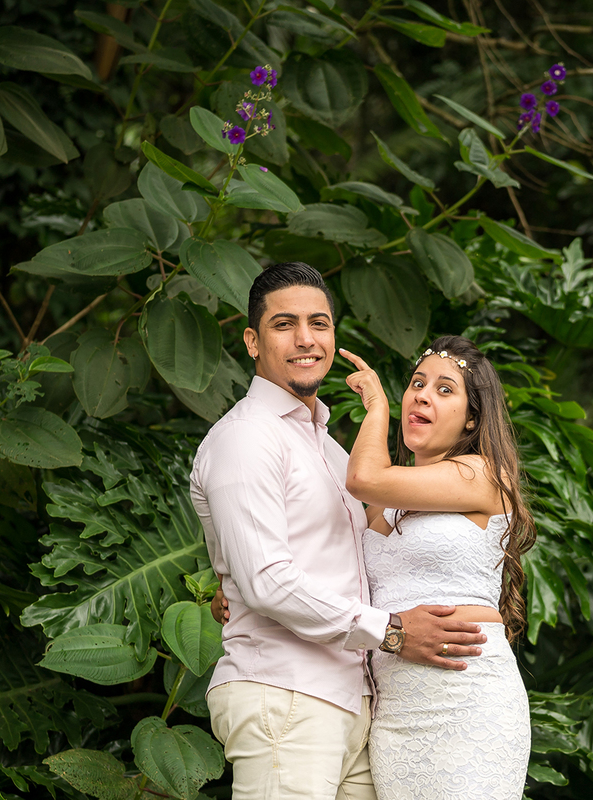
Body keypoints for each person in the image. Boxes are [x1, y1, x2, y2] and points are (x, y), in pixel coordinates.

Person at [189, 262, 488, 800]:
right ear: (253, 342)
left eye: (319, 323)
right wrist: (392, 631)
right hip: (286, 692)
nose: (306, 339)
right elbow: (267, 582)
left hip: (357, 705)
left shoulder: (329, 449)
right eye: (284, 325)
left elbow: (336, 563)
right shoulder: (247, 438)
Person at [340, 335, 535, 800]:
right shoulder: (382, 508)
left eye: (445, 389)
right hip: (396, 713)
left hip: (468, 699)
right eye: (417, 384)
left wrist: (377, 408)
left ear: (472, 418)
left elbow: (363, 477)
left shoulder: (484, 474)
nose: (422, 395)